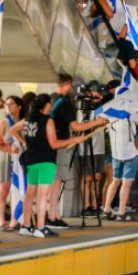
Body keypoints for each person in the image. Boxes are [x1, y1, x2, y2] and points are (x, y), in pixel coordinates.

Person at [12, 94, 88, 238]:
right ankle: (40, 227)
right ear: (46, 105)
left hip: (31, 161)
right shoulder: (48, 121)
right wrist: (75, 139)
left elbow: (13, 130)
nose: (52, 106)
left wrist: (24, 142)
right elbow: (54, 144)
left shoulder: (28, 120)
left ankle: (26, 226)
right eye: (50, 104)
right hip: (46, 161)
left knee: (30, 195)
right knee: (42, 196)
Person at [48, 73, 107, 229]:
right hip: (61, 146)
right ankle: (52, 217)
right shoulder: (65, 103)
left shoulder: (53, 100)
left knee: (55, 183)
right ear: (67, 84)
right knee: (56, 183)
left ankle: (53, 215)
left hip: (53, 145)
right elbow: (76, 127)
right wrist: (97, 122)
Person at [102, 105, 138, 222]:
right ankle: (121, 212)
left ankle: (106, 210)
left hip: (116, 153)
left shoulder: (108, 110)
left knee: (115, 180)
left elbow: (102, 122)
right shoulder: (130, 110)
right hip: (130, 152)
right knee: (126, 182)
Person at [0, 95, 23, 232]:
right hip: (6, 157)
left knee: (17, 190)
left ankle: (15, 220)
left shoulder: (22, 122)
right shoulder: (3, 122)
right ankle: (1, 221)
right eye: (8, 103)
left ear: (19, 107)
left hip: (18, 159)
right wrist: (9, 147)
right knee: (4, 189)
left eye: (12, 104)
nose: (9, 106)